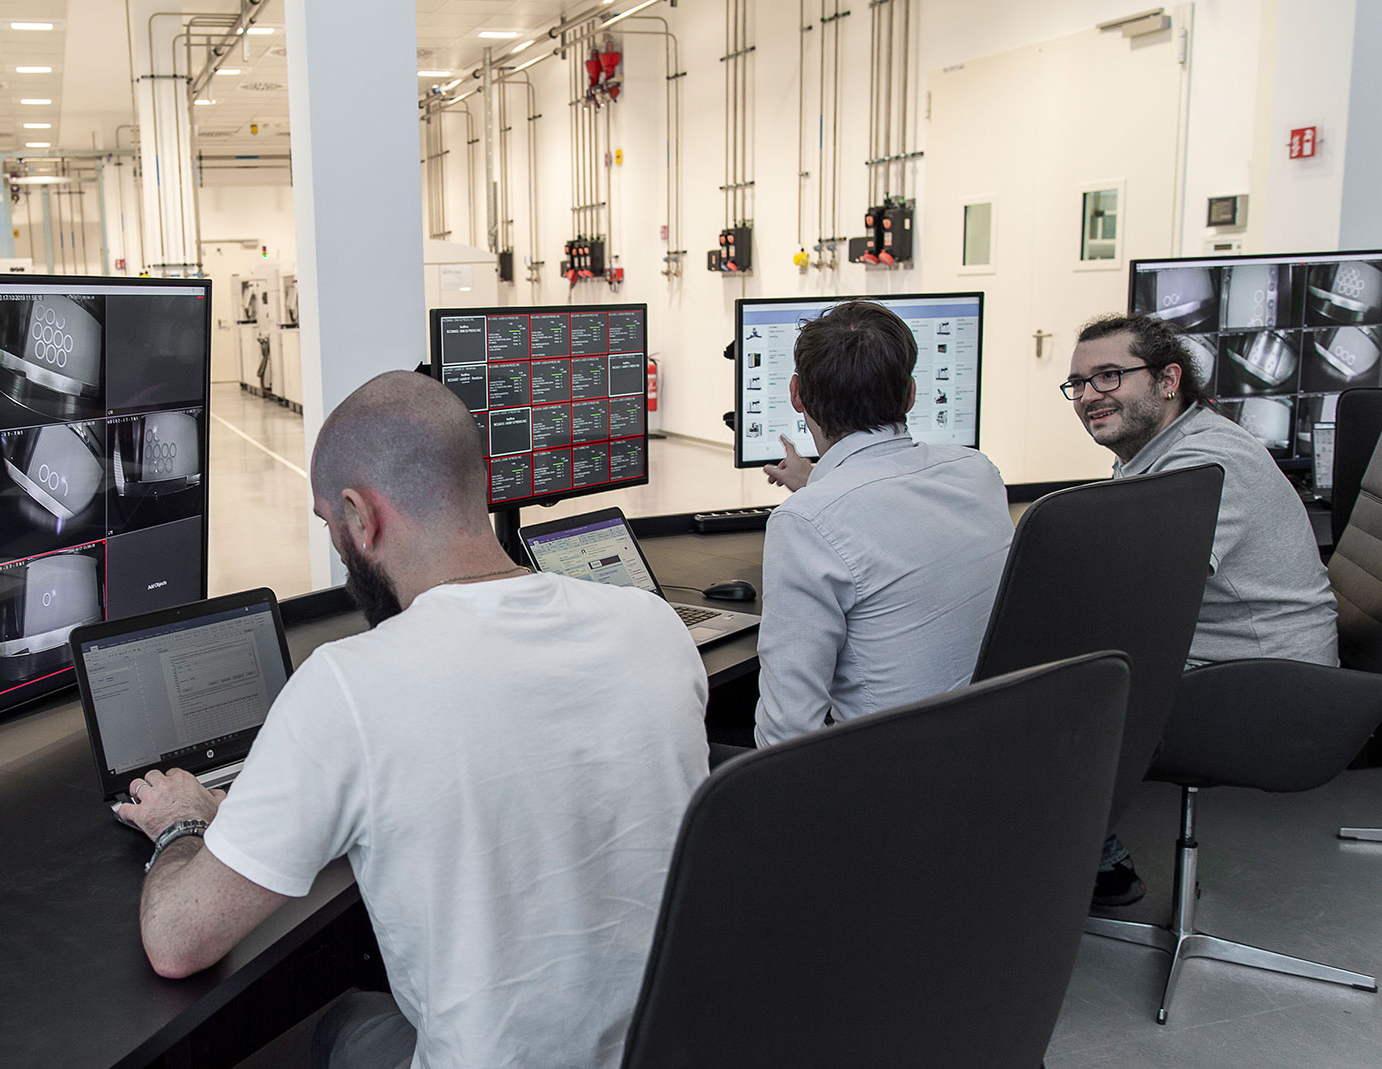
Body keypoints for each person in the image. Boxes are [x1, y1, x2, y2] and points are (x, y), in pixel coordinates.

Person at [115, 370, 710, 1069]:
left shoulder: (348, 686)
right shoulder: (652, 627)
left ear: (359, 515)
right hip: (667, 1048)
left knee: (336, 1024)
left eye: (329, 523)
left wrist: (181, 823)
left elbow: (177, 942)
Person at [1065, 313, 1338, 904]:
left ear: (1168, 380)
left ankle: (1090, 870)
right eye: (1080, 383)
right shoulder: (1166, 449)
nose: (1089, 396)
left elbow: (1144, 595)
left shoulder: (1206, 464)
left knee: (1049, 694)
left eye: (1109, 377)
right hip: (1234, 663)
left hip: (1273, 689)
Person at [753, 301, 1013, 749]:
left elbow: (788, 730)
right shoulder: (976, 471)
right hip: (990, 751)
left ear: (796, 394)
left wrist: (819, 493)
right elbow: (886, 504)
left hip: (888, 784)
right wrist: (820, 482)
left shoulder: (804, 522)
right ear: (911, 394)